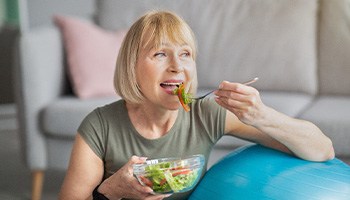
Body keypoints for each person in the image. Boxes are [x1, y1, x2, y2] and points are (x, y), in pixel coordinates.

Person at [59, 10, 334, 200]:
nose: (177, 67)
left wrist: (262, 115)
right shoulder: (99, 126)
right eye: (160, 54)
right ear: (132, 67)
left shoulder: (206, 113)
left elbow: (322, 149)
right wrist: (112, 191)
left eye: (185, 54)